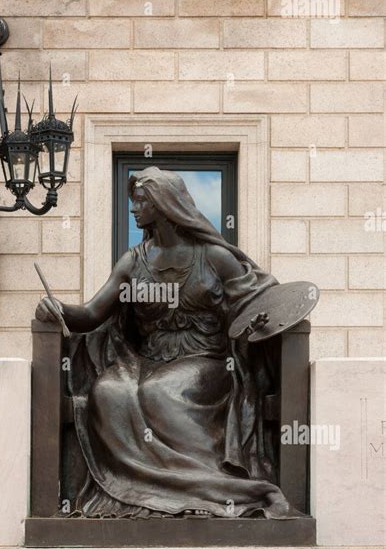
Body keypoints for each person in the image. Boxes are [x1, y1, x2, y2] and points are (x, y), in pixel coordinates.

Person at [36, 166, 301, 519]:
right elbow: (93, 313)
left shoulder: (214, 257)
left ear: (163, 204)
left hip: (206, 361)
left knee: (160, 391)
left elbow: (258, 302)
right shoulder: (133, 261)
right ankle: (144, 490)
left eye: (140, 201)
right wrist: (59, 309)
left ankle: (212, 485)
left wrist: (267, 321)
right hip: (147, 359)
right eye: (132, 202)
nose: (133, 209)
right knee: (108, 392)